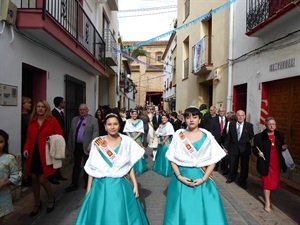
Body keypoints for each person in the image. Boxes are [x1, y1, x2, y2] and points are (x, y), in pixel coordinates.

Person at [75, 113, 149, 225]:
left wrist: (135, 185)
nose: (112, 127)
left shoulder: (126, 141)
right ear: (105, 126)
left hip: (120, 185)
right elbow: (92, 167)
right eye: (109, 124)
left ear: (120, 125)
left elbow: (129, 165)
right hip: (100, 186)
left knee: (120, 215)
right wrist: (89, 188)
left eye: (115, 124)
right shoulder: (98, 142)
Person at [163, 106, 228, 225]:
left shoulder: (207, 136)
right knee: (181, 211)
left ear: (199, 119)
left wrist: (204, 178)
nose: (191, 120)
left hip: (202, 178)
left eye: (194, 117)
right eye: (188, 117)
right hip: (181, 180)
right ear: (184, 119)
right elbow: (172, 158)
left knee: (204, 212)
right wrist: (179, 176)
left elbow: (213, 160)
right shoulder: (179, 135)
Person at [23, 100, 63, 216]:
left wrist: (51, 140)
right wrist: (26, 148)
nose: (40, 109)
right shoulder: (32, 121)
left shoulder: (52, 121)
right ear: (36, 109)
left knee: (42, 179)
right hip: (34, 153)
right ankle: (37, 203)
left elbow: (59, 135)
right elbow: (28, 138)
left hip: (45, 153)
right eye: (38, 106)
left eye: (43, 107)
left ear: (46, 109)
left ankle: (51, 198)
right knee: (34, 178)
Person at [253, 117, 287, 212]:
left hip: (276, 163)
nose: (272, 126)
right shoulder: (259, 136)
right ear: (266, 125)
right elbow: (255, 148)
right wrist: (258, 153)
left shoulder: (280, 135)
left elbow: (282, 146)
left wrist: (284, 147)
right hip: (265, 162)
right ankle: (267, 202)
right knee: (266, 182)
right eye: (270, 124)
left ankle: (269, 197)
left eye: (274, 124)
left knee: (274, 183)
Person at [65, 104, 99, 192]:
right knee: (76, 165)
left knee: (87, 165)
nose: (82, 111)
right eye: (80, 109)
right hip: (77, 146)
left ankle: (87, 183)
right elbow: (71, 132)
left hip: (87, 147)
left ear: (87, 110)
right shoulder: (74, 120)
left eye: (84, 109)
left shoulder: (93, 120)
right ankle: (74, 184)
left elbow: (95, 134)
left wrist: (91, 145)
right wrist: (70, 143)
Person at [224, 110, 254, 190]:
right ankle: (232, 177)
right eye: (239, 115)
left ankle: (242, 181)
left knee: (244, 166)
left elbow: (251, 135)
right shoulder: (232, 125)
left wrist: (244, 141)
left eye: (242, 115)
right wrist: (226, 147)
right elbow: (228, 137)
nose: (240, 117)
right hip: (233, 148)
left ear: (244, 116)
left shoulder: (249, 126)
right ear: (236, 116)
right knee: (233, 164)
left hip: (244, 149)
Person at [0, 130, 21, 225]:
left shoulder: (9, 158)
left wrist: (2, 185)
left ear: (5, 143)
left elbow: (16, 176)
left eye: (0, 142)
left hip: (2, 197)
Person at [123, 109, 148, 174]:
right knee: (130, 151)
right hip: (130, 137)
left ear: (137, 114)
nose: (134, 115)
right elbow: (126, 130)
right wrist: (130, 137)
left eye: (136, 114)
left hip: (137, 138)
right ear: (131, 114)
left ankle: (139, 167)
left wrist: (134, 138)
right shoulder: (128, 121)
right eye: (133, 114)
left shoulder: (140, 121)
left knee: (137, 151)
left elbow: (140, 131)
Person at [50, 96, 67, 185]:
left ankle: (58, 173)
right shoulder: (53, 113)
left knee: (59, 157)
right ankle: (53, 176)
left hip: (60, 138)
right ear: (60, 103)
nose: (64, 103)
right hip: (55, 139)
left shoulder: (61, 113)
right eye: (63, 102)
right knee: (55, 157)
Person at [21, 96, 32, 187]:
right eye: (27, 103)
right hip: (25, 140)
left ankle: (28, 176)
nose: (29, 104)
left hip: (30, 139)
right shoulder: (21, 116)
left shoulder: (30, 115)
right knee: (25, 159)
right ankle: (25, 178)